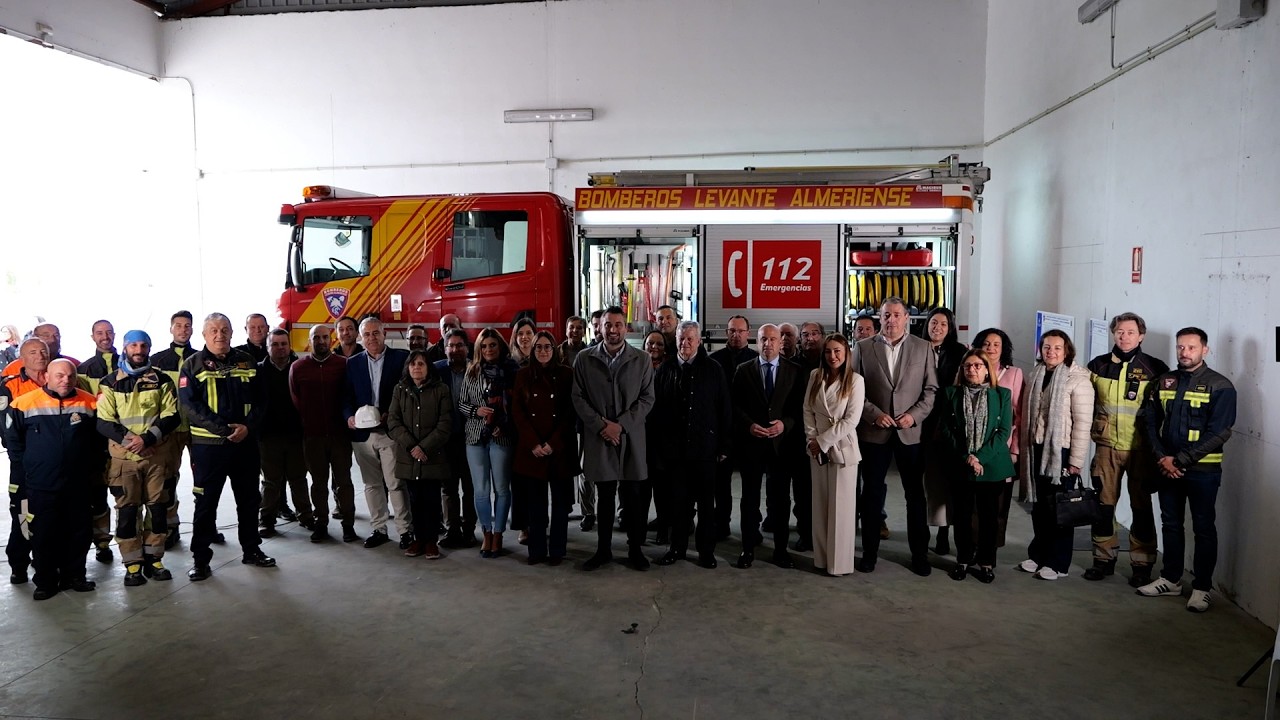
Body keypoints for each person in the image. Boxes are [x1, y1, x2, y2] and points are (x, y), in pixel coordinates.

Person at [1136, 327, 1235, 613]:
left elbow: (1220, 432)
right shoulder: (1164, 381)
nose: (1184, 352)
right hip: (1167, 468)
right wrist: (1162, 457)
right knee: (1170, 524)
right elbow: (1150, 422)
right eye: (1180, 347)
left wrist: (1179, 461)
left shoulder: (1221, 386)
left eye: (1191, 347)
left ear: (1205, 350)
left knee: (1203, 528)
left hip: (1202, 471)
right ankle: (1171, 579)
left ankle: (1202, 588)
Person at [179, 313, 277, 581]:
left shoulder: (246, 361)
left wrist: (247, 428)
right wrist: (224, 430)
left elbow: (262, 401)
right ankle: (200, 559)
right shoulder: (192, 365)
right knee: (205, 504)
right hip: (209, 448)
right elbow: (191, 405)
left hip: (245, 445)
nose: (219, 335)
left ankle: (252, 550)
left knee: (248, 500)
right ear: (204, 335)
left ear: (232, 332)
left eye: (224, 330)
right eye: (213, 330)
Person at [850, 297, 938, 576]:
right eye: (886, 315)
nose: (891, 320)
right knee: (871, 496)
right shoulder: (863, 348)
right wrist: (873, 414)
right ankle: (870, 554)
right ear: (880, 317)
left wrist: (914, 415)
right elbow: (853, 390)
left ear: (907, 318)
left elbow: (931, 390)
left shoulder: (923, 348)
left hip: (909, 433)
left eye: (896, 315)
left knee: (915, 496)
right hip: (874, 432)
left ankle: (920, 555)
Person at [4, 359, 103, 600]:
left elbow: (98, 441)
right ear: (46, 376)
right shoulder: (22, 404)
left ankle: (75, 576)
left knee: (79, 532)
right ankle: (46, 582)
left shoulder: (88, 402)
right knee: (43, 533)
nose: (65, 380)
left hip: (78, 483)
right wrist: (28, 467)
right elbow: (12, 441)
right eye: (59, 375)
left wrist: (92, 469)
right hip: (41, 484)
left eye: (70, 376)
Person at [1084, 312, 1169, 586]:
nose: (1124, 336)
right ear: (1113, 333)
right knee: (1103, 507)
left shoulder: (1155, 368)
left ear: (1141, 335)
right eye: (1120, 331)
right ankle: (1103, 559)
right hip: (1106, 448)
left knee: (1141, 509)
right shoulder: (1097, 366)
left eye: (1131, 332)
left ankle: (1142, 565)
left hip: (1141, 449)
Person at [571, 306, 655, 571]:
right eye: (608, 325)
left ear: (625, 328)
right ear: (600, 327)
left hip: (630, 437)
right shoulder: (584, 359)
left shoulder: (641, 359)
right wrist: (601, 426)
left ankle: (634, 550)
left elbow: (647, 398)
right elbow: (578, 397)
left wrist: (621, 425)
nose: (613, 330)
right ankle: (603, 550)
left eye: (618, 325)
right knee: (605, 497)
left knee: (632, 496)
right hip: (599, 437)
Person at [95, 330, 180, 586]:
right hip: (124, 460)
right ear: (125, 347)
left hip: (156, 457)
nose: (139, 350)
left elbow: (172, 415)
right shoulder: (109, 383)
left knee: (157, 509)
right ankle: (132, 564)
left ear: (149, 348)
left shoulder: (162, 380)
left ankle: (154, 559)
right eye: (134, 345)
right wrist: (135, 442)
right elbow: (104, 422)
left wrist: (148, 440)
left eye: (143, 345)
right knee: (128, 511)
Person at [650, 321, 729, 569]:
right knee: (678, 504)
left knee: (706, 505)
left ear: (699, 342)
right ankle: (677, 548)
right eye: (681, 340)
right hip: (675, 452)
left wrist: (724, 446)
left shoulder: (714, 369)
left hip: (705, 450)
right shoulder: (666, 369)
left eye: (689, 340)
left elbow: (724, 409)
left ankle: (706, 552)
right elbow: (657, 411)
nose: (684, 344)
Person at [1018, 329, 1093, 581]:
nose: (1051, 352)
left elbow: (1083, 423)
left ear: (1067, 350)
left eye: (1057, 348)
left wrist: (1075, 461)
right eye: (1047, 347)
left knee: (1059, 509)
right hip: (1036, 448)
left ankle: (1058, 562)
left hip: (1061, 450)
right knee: (1039, 506)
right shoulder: (1037, 373)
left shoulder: (1078, 379)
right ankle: (1038, 554)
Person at [938, 349, 1014, 584]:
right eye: (967, 366)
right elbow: (946, 429)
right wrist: (967, 457)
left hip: (991, 467)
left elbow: (1003, 432)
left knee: (989, 518)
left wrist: (980, 457)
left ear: (986, 369)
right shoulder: (951, 393)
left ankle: (986, 563)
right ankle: (962, 559)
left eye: (977, 366)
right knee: (961, 517)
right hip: (961, 465)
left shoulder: (1002, 394)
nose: (972, 370)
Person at [731, 323, 803, 570]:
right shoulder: (743, 370)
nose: (768, 344)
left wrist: (785, 424)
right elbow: (734, 407)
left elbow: (799, 409)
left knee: (780, 500)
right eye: (763, 339)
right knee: (749, 499)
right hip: (752, 446)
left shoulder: (795, 371)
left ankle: (781, 551)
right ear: (756, 340)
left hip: (781, 448)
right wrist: (749, 426)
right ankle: (747, 549)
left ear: (779, 341)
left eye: (773, 339)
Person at [344, 317, 414, 550]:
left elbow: (408, 393)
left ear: (384, 334)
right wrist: (349, 417)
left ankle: (405, 531)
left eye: (376, 333)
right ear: (360, 338)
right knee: (372, 484)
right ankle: (379, 529)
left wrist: (392, 415)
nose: (372, 338)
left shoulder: (401, 359)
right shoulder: (352, 363)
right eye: (367, 334)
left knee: (395, 483)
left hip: (390, 432)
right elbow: (344, 397)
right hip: (362, 436)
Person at [511, 331, 579, 565]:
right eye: (538, 347)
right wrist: (534, 443)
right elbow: (517, 412)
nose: (542, 351)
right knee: (535, 506)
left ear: (554, 349)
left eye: (547, 347)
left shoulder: (566, 374)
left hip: (558, 448)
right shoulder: (522, 375)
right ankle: (536, 551)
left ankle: (557, 551)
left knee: (560, 506)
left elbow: (571, 412)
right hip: (532, 450)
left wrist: (553, 443)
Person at [802, 333, 865, 576]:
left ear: (846, 353)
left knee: (842, 509)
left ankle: (839, 563)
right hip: (816, 448)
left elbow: (852, 420)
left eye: (837, 351)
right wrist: (811, 439)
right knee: (820, 506)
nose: (833, 356)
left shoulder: (856, 380)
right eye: (828, 351)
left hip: (842, 447)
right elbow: (807, 408)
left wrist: (822, 441)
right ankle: (821, 559)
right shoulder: (815, 376)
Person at [289, 324, 357, 543]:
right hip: (313, 436)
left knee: (344, 482)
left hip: (340, 436)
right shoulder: (298, 367)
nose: (320, 341)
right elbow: (296, 399)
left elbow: (351, 395)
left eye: (324, 337)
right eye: (316, 337)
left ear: (332, 339)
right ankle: (321, 523)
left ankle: (348, 524)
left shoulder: (344, 365)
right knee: (318, 483)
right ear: (310, 341)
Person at [457, 328, 519, 558]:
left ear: (500, 346)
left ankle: (499, 533)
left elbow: (516, 406)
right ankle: (487, 532)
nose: (488, 349)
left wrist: (503, 422)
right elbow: (462, 404)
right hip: (475, 437)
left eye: (492, 345)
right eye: (484, 346)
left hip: (502, 436)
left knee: (502, 489)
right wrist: (476, 410)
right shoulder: (472, 371)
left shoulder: (511, 371)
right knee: (481, 490)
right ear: (478, 349)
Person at [387, 349, 452, 559]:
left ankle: (431, 541)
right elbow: (393, 422)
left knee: (431, 499)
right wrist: (411, 446)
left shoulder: (441, 390)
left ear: (428, 368)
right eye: (413, 364)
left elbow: (445, 424)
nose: (416, 367)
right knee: (414, 500)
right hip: (409, 456)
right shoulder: (400, 389)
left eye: (421, 364)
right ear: (407, 367)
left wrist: (424, 447)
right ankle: (418, 539)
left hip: (432, 456)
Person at [1, 338, 51, 585]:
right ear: (22, 357)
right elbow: (6, 429)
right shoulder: (10, 386)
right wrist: (22, 461)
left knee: (52, 516)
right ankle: (19, 565)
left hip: (55, 464)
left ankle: (51, 563)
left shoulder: (59, 378)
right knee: (23, 515)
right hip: (25, 465)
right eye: (33, 352)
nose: (40, 355)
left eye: (43, 351)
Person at [921, 308, 967, 556]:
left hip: (946, 425)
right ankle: (923, 528)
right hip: (918, 423)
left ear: (950, 328)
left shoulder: (959, 353)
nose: (937, 328)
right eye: (933, 322)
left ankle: (942, 532)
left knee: (945, 482)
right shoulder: (915, 347)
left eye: (943, 324)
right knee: (923, 482)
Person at [258, 329, 312, 538]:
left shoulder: (299, 369)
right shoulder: (259, 371)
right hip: (268, 436)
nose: (280, 348)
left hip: (296, 435)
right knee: (271, 482)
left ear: (289, 346)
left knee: (298, 478)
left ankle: (306, 516)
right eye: (275, 344)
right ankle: (266, 520)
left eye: (283, 344)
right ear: (267, 347)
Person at [972, 327, 1024, 544]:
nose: (991, 348)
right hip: (974, 448)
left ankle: (991, 548)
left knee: (998, 503)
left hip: (1002, 446)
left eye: (996, 345)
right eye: (986, 344)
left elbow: (1020, 414)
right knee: (974, 503)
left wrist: (1015, 450)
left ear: (1004, 349)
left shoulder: (1013, 374)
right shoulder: (971, 369)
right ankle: (973, 545)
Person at [709, 314, 757, 540]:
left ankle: (751, 527)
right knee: (721, 484)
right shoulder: (714, 360)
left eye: (740, 331)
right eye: (731, 331)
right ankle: (721, 524)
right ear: (726, 333)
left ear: (749, 333)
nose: (736, 335)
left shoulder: (757, 360)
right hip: (723, 433)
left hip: (748, 433)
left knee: (751, 486)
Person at [151, 310, 196, 549]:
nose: (183, 329)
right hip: (170, 430)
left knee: (204, 480)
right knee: (168, 480)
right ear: (171, 328)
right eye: (178, 325)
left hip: (198, 429)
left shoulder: (200, 358)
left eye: (187, 325)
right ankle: (171, 527)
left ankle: (205, 527)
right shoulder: (157, 361)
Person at [433, 328, 477, 548]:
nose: (455, 349)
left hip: (472, 438)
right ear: (445, 348)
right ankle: (452, 531)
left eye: (460, 345)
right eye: (451, 345)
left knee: (470, 487)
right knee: (448, 488)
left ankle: (469, 530)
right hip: (446, 440)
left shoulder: (476, 369)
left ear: (466, 348)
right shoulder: (437, 370)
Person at [643, 329, 671, 544]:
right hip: (639, 437)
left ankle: (663, 528)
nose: (654, 347)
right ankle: (639, 532)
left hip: (663, 440)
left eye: (659, 344)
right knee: (640, 489)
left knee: (662, 490)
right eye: (650, 343)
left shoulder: (670, 369)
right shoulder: (636, 367)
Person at [77, 319, 119, 393]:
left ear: (114, 335)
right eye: (99, 333)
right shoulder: (83, 370)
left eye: (109, 332)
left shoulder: (129, 365)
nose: (105, 337)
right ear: (93, 337)